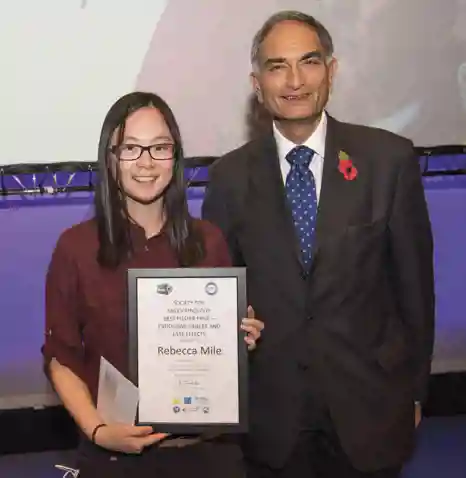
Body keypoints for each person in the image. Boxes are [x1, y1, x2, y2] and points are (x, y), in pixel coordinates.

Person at [202, 10, 435, 478]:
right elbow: (220, 293)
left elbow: (415, 292)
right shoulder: (228, 178)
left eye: (308, 62)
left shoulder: (388, 161)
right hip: (272, 421)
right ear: (256, 82)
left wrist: (414, 393)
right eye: (276, 66)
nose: (294, 80)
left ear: (331, 70)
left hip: (370, 411)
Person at [42, 91, 264, 478]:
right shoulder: (76, 248)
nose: (146, 162)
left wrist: (240, 334)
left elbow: (225, 352)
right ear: (110, 160)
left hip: (209, 457)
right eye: (130, 148)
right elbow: (60, 357)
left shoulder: (208, 240)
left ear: (175, 157)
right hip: (114, 457)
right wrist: (98, 430)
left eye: (160, 147)